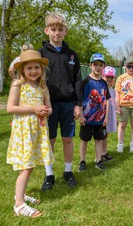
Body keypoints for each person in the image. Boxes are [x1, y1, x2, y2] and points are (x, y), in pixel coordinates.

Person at [6, 49, 54, 218]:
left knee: (31, 164)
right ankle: (19, 204)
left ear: (41, 69)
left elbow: (50, 108)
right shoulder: (18, 84)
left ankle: (21, 193)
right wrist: (34, 109)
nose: (33, 71)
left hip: (38, 130)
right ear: (22, 70)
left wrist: (46, 111)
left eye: (36, 67)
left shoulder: (42, 86)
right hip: (24, 130)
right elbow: (10, 108)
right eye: (29, 68)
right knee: (26, 166)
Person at [39, 12, 82, 190]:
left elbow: (78, 80)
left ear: (65, 31)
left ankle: (68, 170)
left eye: (60, 29)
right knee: (50, 139)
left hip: (68, 104)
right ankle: (49, 174)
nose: (56, 33)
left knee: (67, 138)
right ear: (46, 31)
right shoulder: (40, 54)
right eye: (53, 29)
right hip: (47, 105)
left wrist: (78, 104)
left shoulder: (71, 55)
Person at [78, 53, 110, 171]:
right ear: (90, 65)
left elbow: (106, 100)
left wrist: (106, 117)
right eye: (95, 64)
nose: (97, 67)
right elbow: (79, 99)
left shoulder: (104, 83)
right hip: (87, 118)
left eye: (100, 65)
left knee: (99, 140)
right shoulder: (86, 81)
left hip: (100, 119)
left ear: (103, 67)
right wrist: (81, 115)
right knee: (84, 140)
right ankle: (82, 161)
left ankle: (99, 160)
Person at [115, 55, 133, 153]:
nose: (131, 69)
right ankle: (120, 144)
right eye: (129, 66)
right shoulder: (121, 78)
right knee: (122, 125)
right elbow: (117, 93)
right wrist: (117, 106)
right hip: (124, 105)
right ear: (125, 66)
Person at [102, 66, 117, 161]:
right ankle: (99, 154)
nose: (109, 79)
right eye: (107, 77)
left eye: (111, 77)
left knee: (106, 135)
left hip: (109, 116)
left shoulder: (113, 91)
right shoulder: (102, 90)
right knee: (101, 135)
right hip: (102, 116)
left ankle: (104, 152)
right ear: (103, 77)